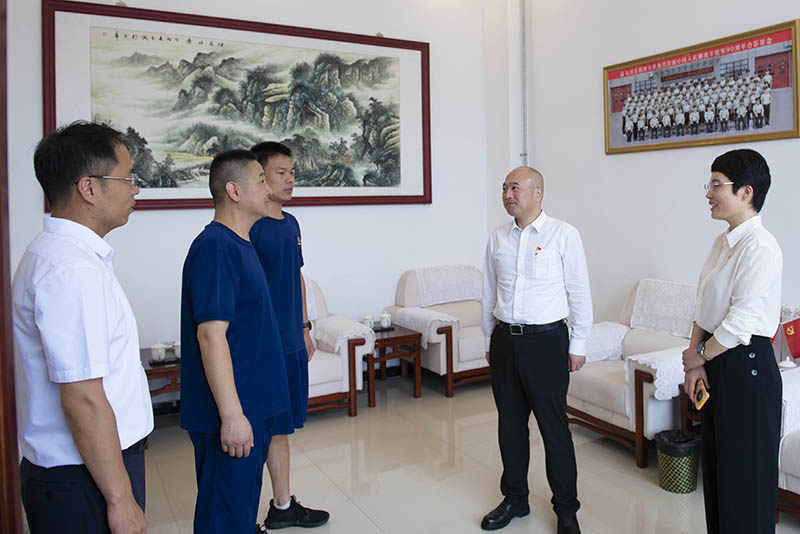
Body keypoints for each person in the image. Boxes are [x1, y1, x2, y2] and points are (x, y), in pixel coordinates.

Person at [13, 121, 152, 534]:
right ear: (89, 188)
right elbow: (82, 398)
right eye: (127, 179)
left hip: (86, 466)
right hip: (83, 477)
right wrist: (120, 498)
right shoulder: (71, 271)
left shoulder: (60, 255)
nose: (135, 190)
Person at [180, 150, 290, 534]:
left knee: (240, 515)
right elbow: (210, 334)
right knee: (224, 520)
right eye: (260, 180)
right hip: (233, 415)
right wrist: (232, 416)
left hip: (253, 407)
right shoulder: (217, 248)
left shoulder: (241, 243)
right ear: (234, 191)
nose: (268, 188)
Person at [480, 167, 592, 534]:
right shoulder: (497, 238)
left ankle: (566, 509)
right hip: (505, 341)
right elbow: (488, 294)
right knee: (510, 426)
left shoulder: (564, 234)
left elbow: (579, 293)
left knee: (553, 428)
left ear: (537, 192)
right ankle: (515, 498)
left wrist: (579, 343)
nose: (507, 194)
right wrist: (488, 339)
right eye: (504, 188)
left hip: (547, 342)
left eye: (515, 187)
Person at [682, 149, 782, 534]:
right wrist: (695, 359)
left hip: (747, 366)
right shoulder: (722, 242)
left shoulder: (760, 247)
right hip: (715, 358)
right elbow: (703, 305)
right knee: (719, 473)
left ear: (746, 192)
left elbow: (740, 324)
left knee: (745, 480)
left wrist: (699, 357)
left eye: (716, 185)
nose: (708, 193)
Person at [249, 142, 330, 530]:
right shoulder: (250, 225)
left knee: (280, 429)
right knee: (256, 431)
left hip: (291, 342)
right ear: (260, 177)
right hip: (261, 346)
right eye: (280, 172)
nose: (290, 179)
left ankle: (282, 506)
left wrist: (305, 327)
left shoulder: (291, 223)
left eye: (292, 172)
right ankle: (242, 518)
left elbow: (296, 277)